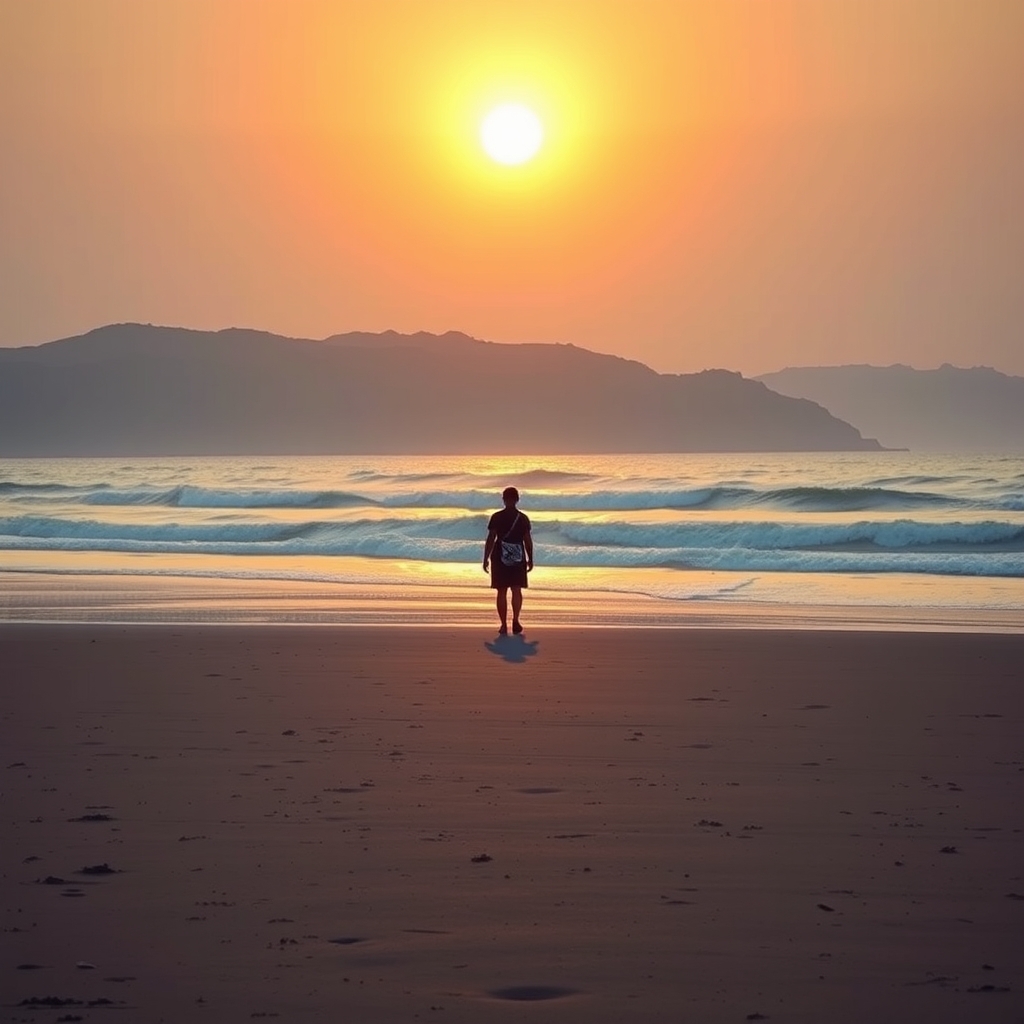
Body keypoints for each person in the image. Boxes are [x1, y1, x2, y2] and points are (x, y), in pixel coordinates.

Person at [483, 486, 533, 635]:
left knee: (501, 591)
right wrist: (531, 558)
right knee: (516, 590)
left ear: (504, 499)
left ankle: (503, 625)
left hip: (499, 555)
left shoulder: (497, 517)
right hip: (518, 555)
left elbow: (491, 538)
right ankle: (516, 620)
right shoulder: (523, 518)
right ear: (517, 499)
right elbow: (527, 540)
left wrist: (485, 558)